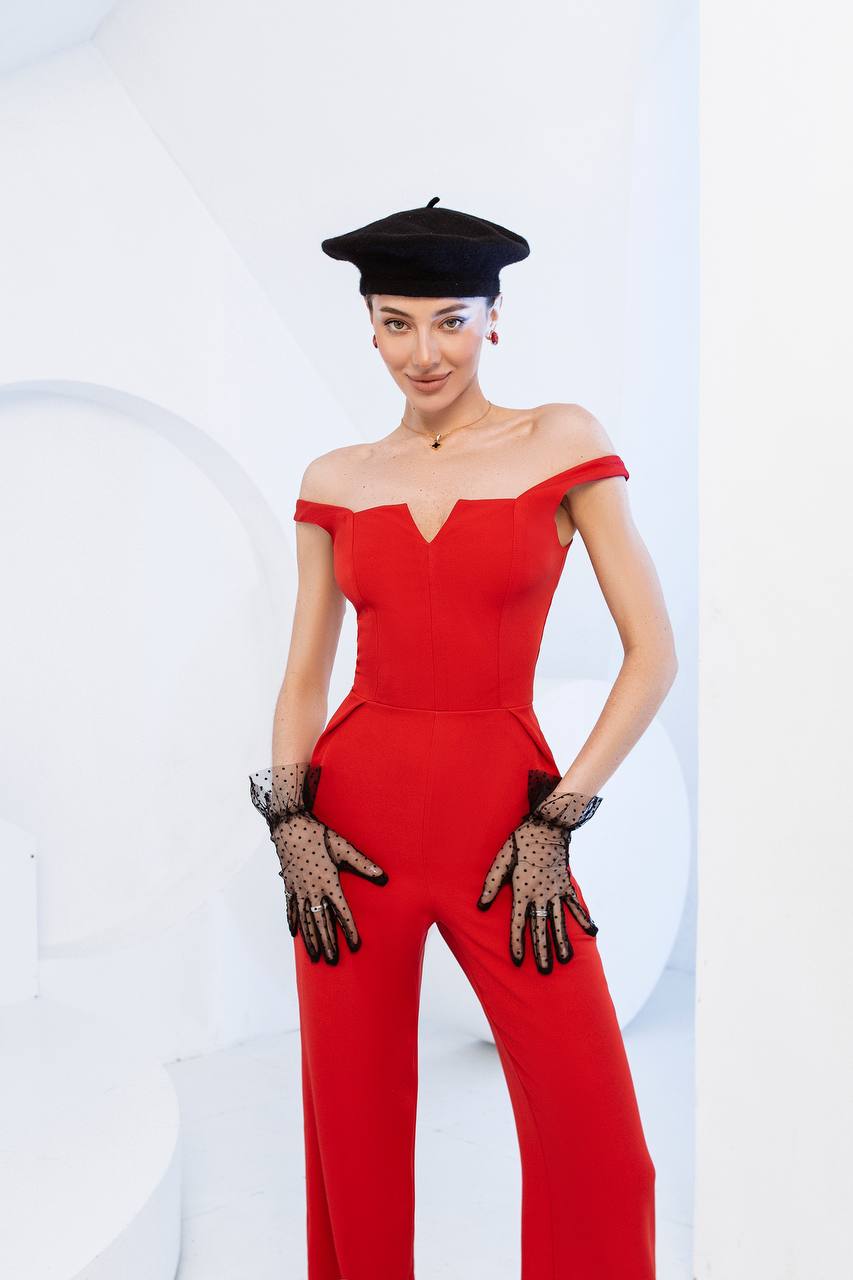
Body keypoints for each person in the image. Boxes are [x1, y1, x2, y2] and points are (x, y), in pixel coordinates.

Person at [249, 196, 677, 1280]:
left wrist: (557, 815)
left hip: (507, 827)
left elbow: (653, 652)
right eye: (395, 322)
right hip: (347, 826)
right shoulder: (335, 478)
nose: (422, 351)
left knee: (601, 1145)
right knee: (351, 1128)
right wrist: (290, 819)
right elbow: (305, 675)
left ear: (494, 318)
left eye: (449, 319)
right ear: (371, 328)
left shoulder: (561, 440)